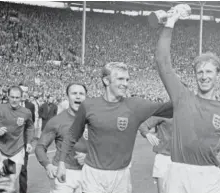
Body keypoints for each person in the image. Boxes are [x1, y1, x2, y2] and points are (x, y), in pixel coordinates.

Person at [154, 10, 220, 193]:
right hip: (178, 171)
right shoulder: (182, 97)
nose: (204, 76)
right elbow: (162, 62)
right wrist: (170, 23)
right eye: (200, 72)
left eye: (209, 72)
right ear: (195, 75)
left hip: (209, 176)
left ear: (218, 75)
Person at [56, 62, 173, 193]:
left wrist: (181, 91)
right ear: (106, 80)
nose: (126, 83)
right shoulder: (88, 106)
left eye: (127, 79)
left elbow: (170, 109)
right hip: (93, 175)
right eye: (120, 79)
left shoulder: (136, 105)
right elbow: (72, 135)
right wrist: (61, 163)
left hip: (121, 176)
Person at [35, 83, 88, 193]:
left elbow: (106, 146)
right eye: (74, 93)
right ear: (67, 97)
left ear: (86, 97)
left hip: (88, 172)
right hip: (64, 173)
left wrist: (89, 156)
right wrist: (47, 165)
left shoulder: (94, 120)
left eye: (81, 94)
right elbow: (40, 146)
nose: (78, 96)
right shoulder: (56, 121)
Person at [0, 86, 34, 192]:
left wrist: (29, 142)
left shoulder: (26, 112)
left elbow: (30, 127)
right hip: (0, 149)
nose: (14, 100)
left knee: (10, 184)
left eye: (17, 97)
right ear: (8, 96)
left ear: (21, 98)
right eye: (12, 97)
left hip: (17, 150)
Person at [139, 117, 172, 193]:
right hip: (163, 157)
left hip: (182, 159)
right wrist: (147, 134)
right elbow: (143, 125)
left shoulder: (187, 111)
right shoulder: (164, 112)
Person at [19, 84, 36, 193]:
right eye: (22, 91)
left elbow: (31, 124)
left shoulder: (30, 105)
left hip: (24, 141)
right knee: (8, 168)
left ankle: (22, 191)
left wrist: (29, 141)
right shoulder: (8, 105)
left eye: (26, 91)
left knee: (23, 169)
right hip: (10, 142)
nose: (24, 94)